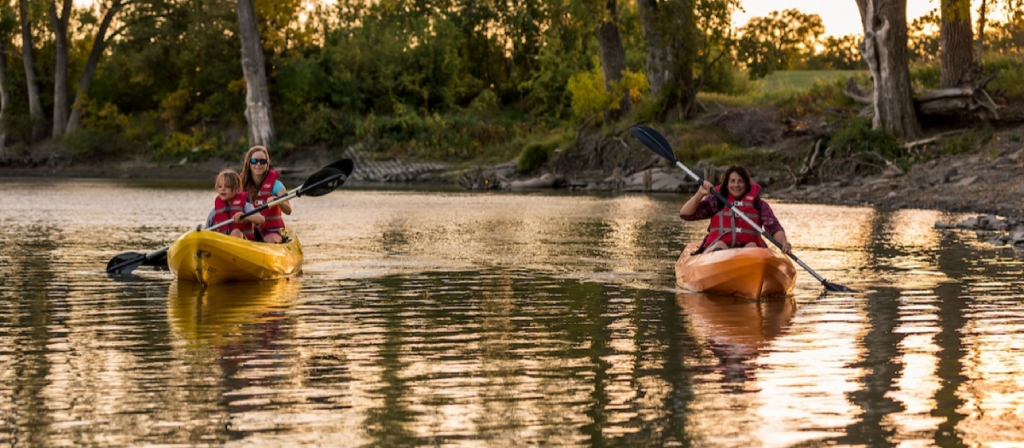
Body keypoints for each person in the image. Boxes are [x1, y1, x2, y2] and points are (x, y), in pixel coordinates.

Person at [679, 165, 791, 254]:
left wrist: (783, 243)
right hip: (718, 251)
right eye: (732, 181)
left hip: (749, 252)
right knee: (720, 245)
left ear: (747, 184)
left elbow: (774, 228)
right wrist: (700, 194)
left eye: (740, 181)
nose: (736, 185)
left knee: (752, 246)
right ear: (726, 184)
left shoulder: (758, 204)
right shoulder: (716, 201)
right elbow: (685, 214)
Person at [240, 145, 292, 243]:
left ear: (267, 164)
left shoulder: (276, 185)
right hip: (248, 230)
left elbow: (288, 210)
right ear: (249, 163)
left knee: (269, 239)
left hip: (271, 231)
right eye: (254, 161)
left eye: (262, 161)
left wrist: (278, 202)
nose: (258, 164)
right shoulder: (240, 184)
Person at [206, 170, 265, 240]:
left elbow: (261, 219)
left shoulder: (245, 205)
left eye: (227, 186)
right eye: (220, 186)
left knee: (235, 232)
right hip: (223, 242)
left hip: (245, 242)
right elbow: (206, 230)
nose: (223, 189)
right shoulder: (215, 211)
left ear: (237, 190)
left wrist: (245, 217)